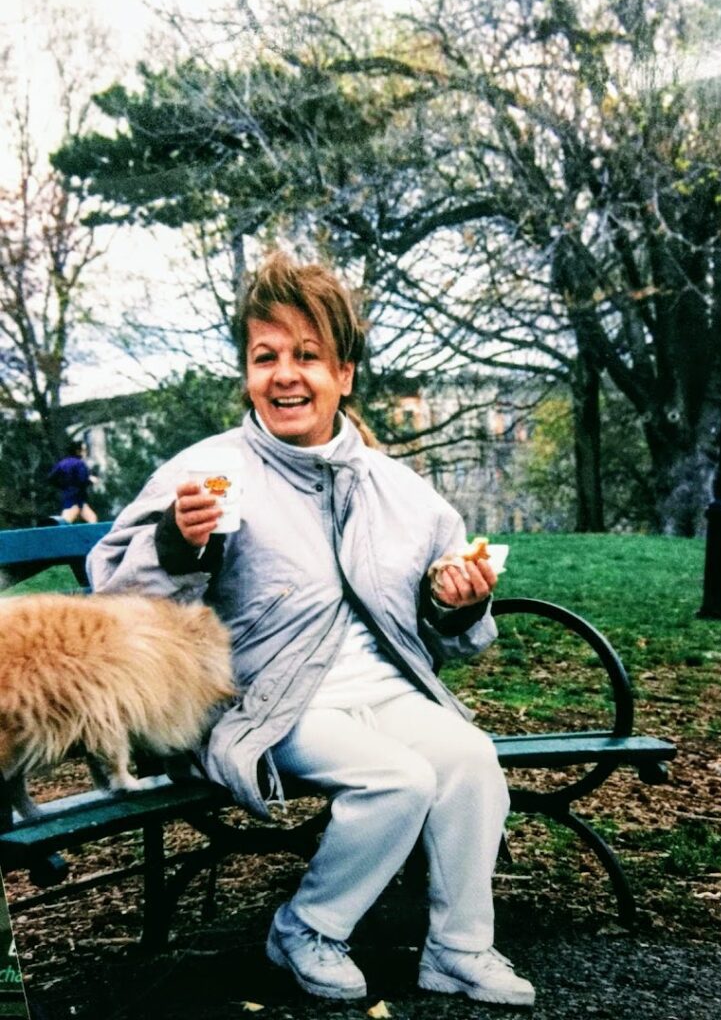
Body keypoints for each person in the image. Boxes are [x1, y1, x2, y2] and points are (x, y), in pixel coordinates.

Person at [86, 252, 535, 1007]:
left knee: (469, 758)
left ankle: (460, 950)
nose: (285, 374)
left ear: (345, 374)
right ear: (247, 372)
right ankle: (308, 928)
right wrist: (176, 544)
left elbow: (447, 634)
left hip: (386, 692)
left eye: (308, 356)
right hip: (266, 700)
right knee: (398, 778)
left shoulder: (399, 491)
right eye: (266, 357)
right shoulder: (204, 472)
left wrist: (455, 599)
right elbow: (115, 596)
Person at [47, 440, 98, 523]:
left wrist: (63, 486)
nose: (85, 452)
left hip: (68, 495)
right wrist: (91, 480)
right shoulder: (79, 464)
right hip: (76, 498)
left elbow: (51, 478)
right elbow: (82, 480)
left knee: (92, 519)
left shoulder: (61, 463)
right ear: (78, 451)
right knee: (66, 521)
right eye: (84, 450)